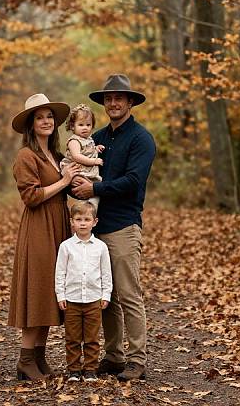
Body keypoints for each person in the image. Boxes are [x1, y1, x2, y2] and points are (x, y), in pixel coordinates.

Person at [72, 73, 156, 382]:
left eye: (119, 97)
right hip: (95, 228)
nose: (113, 102)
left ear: (131, 101)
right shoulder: (99, 139)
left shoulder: (142, 139)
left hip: (123, 225)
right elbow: (83, 174)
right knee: (105, 295)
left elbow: (133, 182)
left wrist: (95, 189)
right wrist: (76, 185)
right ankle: (114, 356)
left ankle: (137, 359)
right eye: (108, 98)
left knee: (127, 293)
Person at [8, 93, 81, 381]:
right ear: (31, 124)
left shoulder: (56, 155)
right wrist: (63, 182)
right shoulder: (26, 155)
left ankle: (38, 357)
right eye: (40, 117)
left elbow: (71, 185)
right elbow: (31, 196)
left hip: (58, 224)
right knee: (38, 287)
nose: (46, 121)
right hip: (39, 226)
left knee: (52, 289)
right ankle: (25, 359)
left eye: (49, 116)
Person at [55, 201, 112, 382]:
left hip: (94, 300)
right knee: (72, 338)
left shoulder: (101, 247)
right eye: (78, 219)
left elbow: (106, 273)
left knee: (92, 338)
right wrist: (60, 295)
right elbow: (60, 272)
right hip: (71, 300)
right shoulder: (66, 246)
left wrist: (106, 294)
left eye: (86, 219)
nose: (82, 223)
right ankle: (73, 370)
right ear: (72, 222)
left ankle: (90, 369)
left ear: (94, 222)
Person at [60, 104, 105, 210]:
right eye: (81, 125)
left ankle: (90, 215)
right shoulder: (74, 141)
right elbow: (77, 156)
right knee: (83, 199)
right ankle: (81, 216)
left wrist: (96, 149)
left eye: (88, 125)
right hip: (80, 173)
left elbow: (87, 151)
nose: (85, 128)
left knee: (95, 199)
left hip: (89, 175)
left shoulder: (89, 139)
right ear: (72, 126)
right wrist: (93, 161)